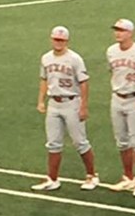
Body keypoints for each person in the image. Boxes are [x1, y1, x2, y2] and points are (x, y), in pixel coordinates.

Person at [31, 26, 99, 192]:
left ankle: (92, 175)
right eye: (55, 39)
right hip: (54, 103)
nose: (58, 43)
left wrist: (83, 106)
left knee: (80, 142)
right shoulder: (46, 58)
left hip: (71, 101)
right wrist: (41, 100)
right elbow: (44, 79)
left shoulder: (74, 59)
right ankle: (52, 178)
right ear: (51, 39)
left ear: (66, 41)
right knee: (53, 143)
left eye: (61, 40)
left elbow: (84, 83)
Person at [106, 18, 135, 198]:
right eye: (116, 29)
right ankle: (128, 177)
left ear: (130, 33)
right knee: (122, 140)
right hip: (117, 97)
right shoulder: (111, 51)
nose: (118, 33)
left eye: (122, 30)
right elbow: (114, 72)